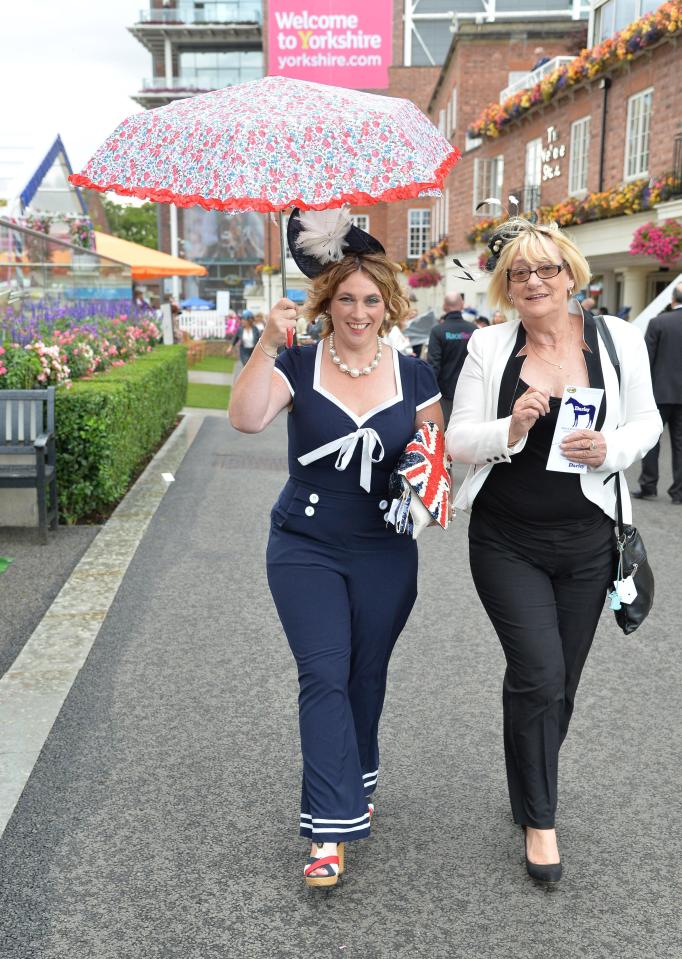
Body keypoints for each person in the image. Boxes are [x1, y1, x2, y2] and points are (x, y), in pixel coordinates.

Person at [229, 208, 442, 888]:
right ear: (327, 299)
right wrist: (265, 342)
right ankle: (329, 825)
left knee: (364, 677)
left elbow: (436, 454)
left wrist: (425, 475)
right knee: (322, 672)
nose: (357, 310)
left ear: (389, 303)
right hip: (305, 544)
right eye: (345, 297)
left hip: (385, 547)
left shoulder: (415, 376)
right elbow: (245, 416)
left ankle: (356, 776)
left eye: (370, 299)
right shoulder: (295, 360)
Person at [446, 216, 661, 883]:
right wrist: (509, 426)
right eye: (520, 272)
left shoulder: (618, 339)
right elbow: (457, 441)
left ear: (571, 274)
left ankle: (527, 784)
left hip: (589, 539)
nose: (535, 280)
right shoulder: (489, 347)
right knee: (538, 674)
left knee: (557, 684)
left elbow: (647, 421)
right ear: (507, 286)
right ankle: (542, 820)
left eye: (547, 269)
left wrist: (614, 448)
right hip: (507, 539)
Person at [633, 282, 682, 504]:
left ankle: (648, 485)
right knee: (680, 445)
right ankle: (679, 492)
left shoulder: (658, 322)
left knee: (651, 440)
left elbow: (645, 361)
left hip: (659, 393)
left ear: (672, 300)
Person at [426, 292, 477, 425]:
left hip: (445, 394)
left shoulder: (438, 331)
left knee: (447, 432)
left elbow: (433, 365)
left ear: (444, 307)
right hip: (471, 391)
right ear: (462, 305)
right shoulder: (473, 329)